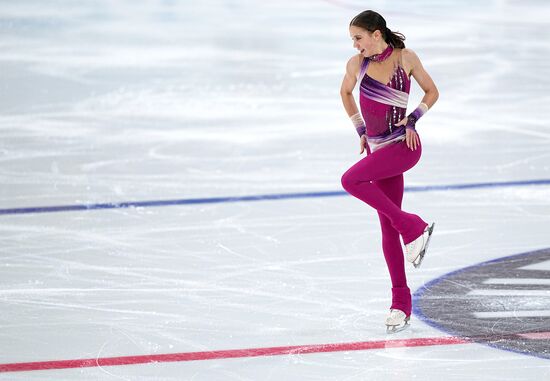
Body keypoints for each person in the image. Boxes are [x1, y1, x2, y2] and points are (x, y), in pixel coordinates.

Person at [339, 10, 439, 333]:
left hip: (404, 146)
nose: (355, 46)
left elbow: (432, 91)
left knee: (350, 179)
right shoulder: (358, 65)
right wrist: (360, 130)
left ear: (376, 33)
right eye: (352, 40)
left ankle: (412, 225)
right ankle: (401, 304)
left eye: (358, 38)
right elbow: (345, 93)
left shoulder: (405, 58)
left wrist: (413, 119)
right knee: (386, 230)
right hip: (379, 151)